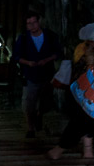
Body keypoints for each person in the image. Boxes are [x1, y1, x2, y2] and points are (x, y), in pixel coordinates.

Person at [48, 22, 94, 160]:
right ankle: (59, 149)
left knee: (90, 120)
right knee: (81, 121)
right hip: (87, 93)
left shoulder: (82, 48)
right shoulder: (89, 52)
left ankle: (88, 151)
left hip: (86, 93)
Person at [14, 10, 63, 138]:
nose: (32, 26)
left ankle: (40, 115)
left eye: (34, 22)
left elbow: (58, 53)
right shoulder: (24, 39)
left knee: (45, 101)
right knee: (29, 103)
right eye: (29, 24)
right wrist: (28, 63)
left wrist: (46, 60)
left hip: (47, 75)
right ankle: (31, 128)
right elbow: (16, 56)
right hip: (30, 76)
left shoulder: (50, 36)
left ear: (39, 22)